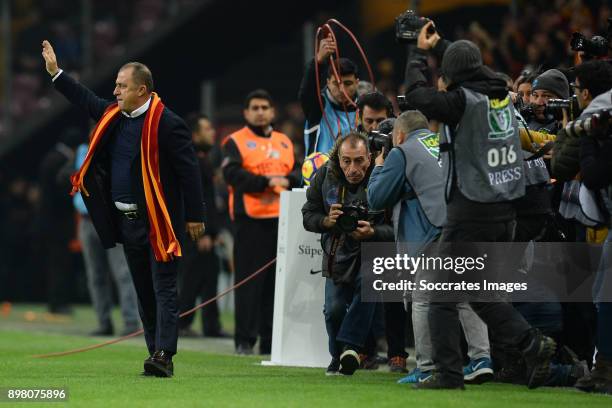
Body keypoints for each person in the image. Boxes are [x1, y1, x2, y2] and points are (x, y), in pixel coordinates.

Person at [402, 22, 556, 390]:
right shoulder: (500, 94)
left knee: (438, 295)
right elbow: (472, 68)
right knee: (479, 293)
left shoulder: (460, 103)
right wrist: (440, 44)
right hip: (504, 212)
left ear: (452, 74)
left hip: (471, 211)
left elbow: (415, 95)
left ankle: (448, 374)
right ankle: (531, 342)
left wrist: (417, 53)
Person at [42, 40, 205, 378]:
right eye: (116, 84)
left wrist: (195, 216)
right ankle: (153, 351)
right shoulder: (113, 116)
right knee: (143, 291)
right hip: (126, 221)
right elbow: (84, 97)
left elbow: (191, 172)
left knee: (164, 290)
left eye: (122, 85)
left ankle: (164, 354)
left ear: (141, 90)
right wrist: (56, 73)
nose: (114, 90)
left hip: (159, 223)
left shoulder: (167, 123)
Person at [368, 110, 493, 384]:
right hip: (469, 224)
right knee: (463, 295)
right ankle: (481, 358)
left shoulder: (401, 152)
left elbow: (376, 198)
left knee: (422, 298)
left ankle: (425, 367)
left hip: (435, 232)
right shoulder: (444, 142)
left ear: (399, 134)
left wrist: (379, 165)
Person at [302, 131, 394, 375]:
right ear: (338, 159)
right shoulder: (324, 175)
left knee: (367, 291)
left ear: (370, 157)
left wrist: (374, 231)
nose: (353, 168)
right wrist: (325, 221)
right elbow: (307, 215)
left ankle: (350, 349)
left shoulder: (384, 175)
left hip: (373, 251)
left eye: (359, 160)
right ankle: (338, 356)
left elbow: (398, 227)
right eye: (347, 161)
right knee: (333, 310)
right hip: (337, 250)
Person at [222, 89, 299, 355]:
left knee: (275, 285)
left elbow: (299, 171)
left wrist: (290, 180)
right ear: (246, 113)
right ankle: (244, 340)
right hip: (250, 221)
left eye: (264, 107)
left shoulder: (285, 142)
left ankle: (270, 342)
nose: (260, 111)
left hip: (282, 220)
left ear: (272, 112)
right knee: (248, 284)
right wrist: (265, 183)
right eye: (254, 107)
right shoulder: (235, 141)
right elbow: (231, 173)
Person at [73, 141, 140, 337]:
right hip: (86, 220)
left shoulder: (115, 149)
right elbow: (66, 175)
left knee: (122, 272)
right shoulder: (82, 150)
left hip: (108, 217)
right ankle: (104, 323)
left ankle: (131, 322)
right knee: (95, 275)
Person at [177, 114, 228, 338]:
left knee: (209, 275)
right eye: (207, 129)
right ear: (195, 135)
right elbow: (198, 199)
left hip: (204, 230)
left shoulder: (203, 159)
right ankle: (181, 323)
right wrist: (205, 233)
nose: (212, 133)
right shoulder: (194, 161)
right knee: (192, 277)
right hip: (196, 232)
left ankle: (210, 325)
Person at [299, 33, 359, 156]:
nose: (342, 89)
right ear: (328, 83)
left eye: (348, 83)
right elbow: (306, 92)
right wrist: (318, 60)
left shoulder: (364, 108)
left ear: (357, 83)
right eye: (336, 84)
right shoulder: (318, 106)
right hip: (320, 174)